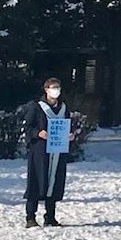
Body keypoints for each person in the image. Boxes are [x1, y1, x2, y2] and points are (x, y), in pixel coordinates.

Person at [23, 77, 71, 228]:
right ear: (46, 89)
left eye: (58, 87)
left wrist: (70, 135)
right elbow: (27, 128)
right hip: (40, 152)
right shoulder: (37, 107)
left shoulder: (63, 108)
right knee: (36, 182)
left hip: (57, 151)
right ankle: (30, 217)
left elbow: (67, 125)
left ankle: (50, 216)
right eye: (53, 87)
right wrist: (38, 133)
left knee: (54, 182)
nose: (55, 90)